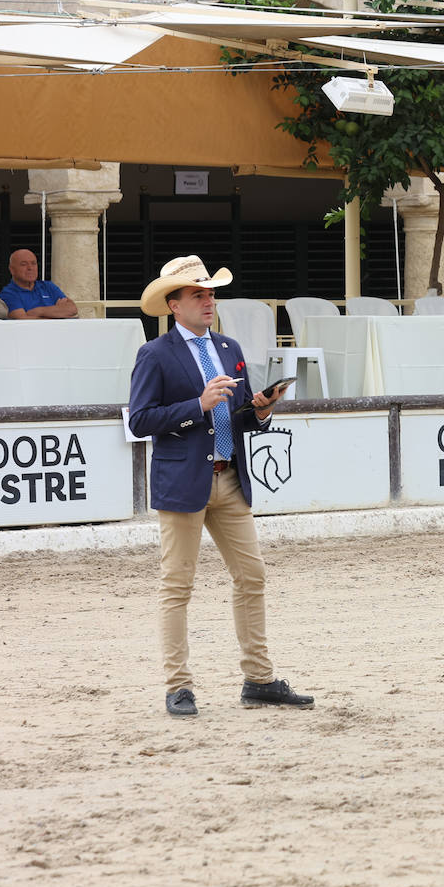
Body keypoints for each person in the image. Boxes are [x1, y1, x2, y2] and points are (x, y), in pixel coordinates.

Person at [128, 255, 311, 718]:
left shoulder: (230, 348)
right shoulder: (154, 354)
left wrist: (263, 409)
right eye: (198, 294)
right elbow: (140, 419)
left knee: (252, 576)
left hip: (229, 478)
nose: (208, 301)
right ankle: (178, 686)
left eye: (210, 294)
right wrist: (198, 404)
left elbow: (238, 418)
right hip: (184, 481)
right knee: (177, 586)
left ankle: (260, 678)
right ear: (174, 305)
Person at [0, 248, 77, 319]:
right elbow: (23, 320)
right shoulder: (8, 294)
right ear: (12, 270)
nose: (30, 268)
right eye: (23, 264)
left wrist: (39, 311)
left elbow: (72, 309)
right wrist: (57, 312)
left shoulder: (48, 286)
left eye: (33, 263)